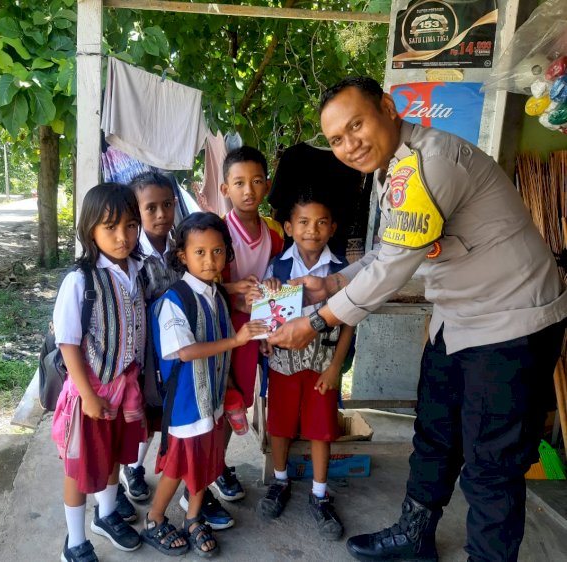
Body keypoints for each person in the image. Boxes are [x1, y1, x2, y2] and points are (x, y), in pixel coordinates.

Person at [268, 76, 567, 562]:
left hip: (513, 322)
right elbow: (390, 250)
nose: (349, 145)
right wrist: (336, 282)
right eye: (337, 139)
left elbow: (393, 268)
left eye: (356, 125)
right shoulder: (392, 170)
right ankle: (414, 536)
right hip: (458, 317)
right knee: (434, 431)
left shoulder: (431, 162)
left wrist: (319, 319)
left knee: (492, 464)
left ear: (387, 108)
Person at [144, 212, 267, 557]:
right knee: (178, 467)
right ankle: (154, 519)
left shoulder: (215, 295)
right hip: (185, 406)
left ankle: (194, 518)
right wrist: (237, 341)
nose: (209, 260)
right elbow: (184, 351)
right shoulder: (174, 301)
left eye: (217, 251)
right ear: (182, 255)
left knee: (208, 462)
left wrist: (230, 389)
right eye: (199, 252)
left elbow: (219, 343)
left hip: (210, 401)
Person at [51, 183, 147, 562]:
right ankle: (74, 542)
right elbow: (68, 342)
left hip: (124, 390)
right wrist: (88, 395)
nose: (122, 237)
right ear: (90, 229)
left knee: (112, 459)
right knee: (80, 469)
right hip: (89, 393)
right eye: (110, 227)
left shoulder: (137, 269)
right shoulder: (80, 280)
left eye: (130, 225)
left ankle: (106, 516)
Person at [250, 192, 354, 540]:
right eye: (304, 223)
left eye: (321, 222)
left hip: (323, 364)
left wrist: (335, 367)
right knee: (279, 425)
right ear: (289, 228)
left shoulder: (340, 272)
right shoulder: (278, 268)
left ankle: (320, 495)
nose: (313, 230)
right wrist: (265, 332)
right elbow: (267, 318)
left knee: (320, 429)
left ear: (332, 228)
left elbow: (350, 322)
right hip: (282, 365)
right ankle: (280, 482)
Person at [217, 145, 285, 502]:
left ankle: (219, 465)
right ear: (225, 188)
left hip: (259, 327)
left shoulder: (273, 233)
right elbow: (200, 281)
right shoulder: (216, 232)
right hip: (223, 327)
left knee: (241, 399)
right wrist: (231, 289)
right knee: (221, 400)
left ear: (267, 185)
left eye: (256, 181)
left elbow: (278, 273)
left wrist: (274, 286)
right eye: (239, 182)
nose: (248, 190)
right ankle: (210, 467)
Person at [116, 172, 180, 510]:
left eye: (167, 205)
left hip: (173, 353)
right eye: (150, 207)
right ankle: (131, 468)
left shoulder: (179, 250)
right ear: (136, 211)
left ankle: (136, 467)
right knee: (137, 417)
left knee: (158, 417)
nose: (160, 214)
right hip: (141, 355)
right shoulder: (131, 258)